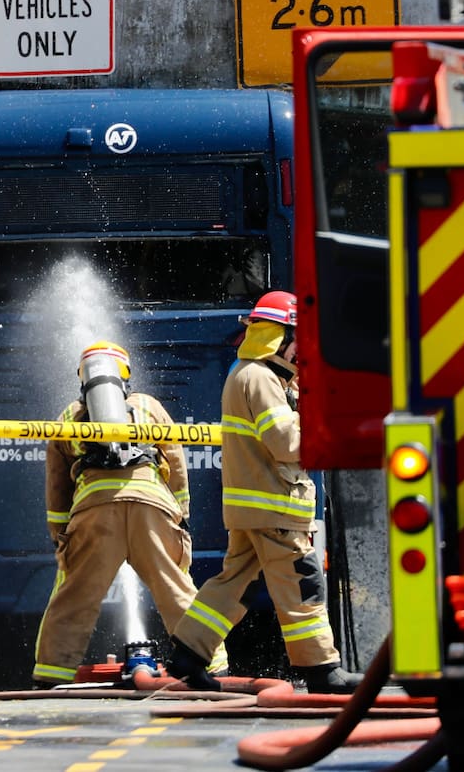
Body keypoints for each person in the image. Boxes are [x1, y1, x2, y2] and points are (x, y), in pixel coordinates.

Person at [165, 290, 358, 694]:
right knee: (301, 582)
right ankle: (322, 670)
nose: (301, 350)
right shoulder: (262, 378)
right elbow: (286, 443)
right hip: (275, 507)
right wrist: (320, 421)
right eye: (297, 339)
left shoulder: (247, 373)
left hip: (253, 507)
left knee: (231, 582)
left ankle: (188, 654)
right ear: (277, 336)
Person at [31, 341, 226, 687]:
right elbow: (176, 461)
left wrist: (60, 537)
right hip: (152, 510)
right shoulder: (149, 406)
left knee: (73, 599)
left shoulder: (67, 417)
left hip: (94, 514)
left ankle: (49, 679)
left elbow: (56, 487)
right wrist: (180, 514)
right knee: (177, 590)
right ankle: (214, 668)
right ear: (125, 373)